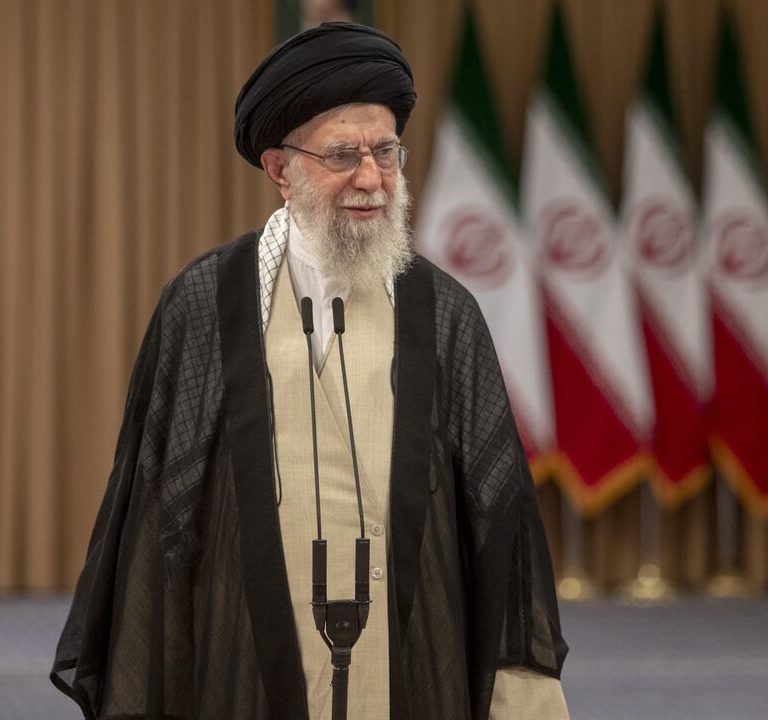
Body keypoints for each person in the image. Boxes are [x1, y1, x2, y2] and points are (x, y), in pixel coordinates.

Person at [51, 22, 569, 720]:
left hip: (413, 673)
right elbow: (156, 518)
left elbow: (500, 523)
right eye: (343, 155)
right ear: (279, 169)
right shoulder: (203, 306)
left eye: (386, 152)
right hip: (244, 671)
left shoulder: (442, 313)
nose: (371, 178)